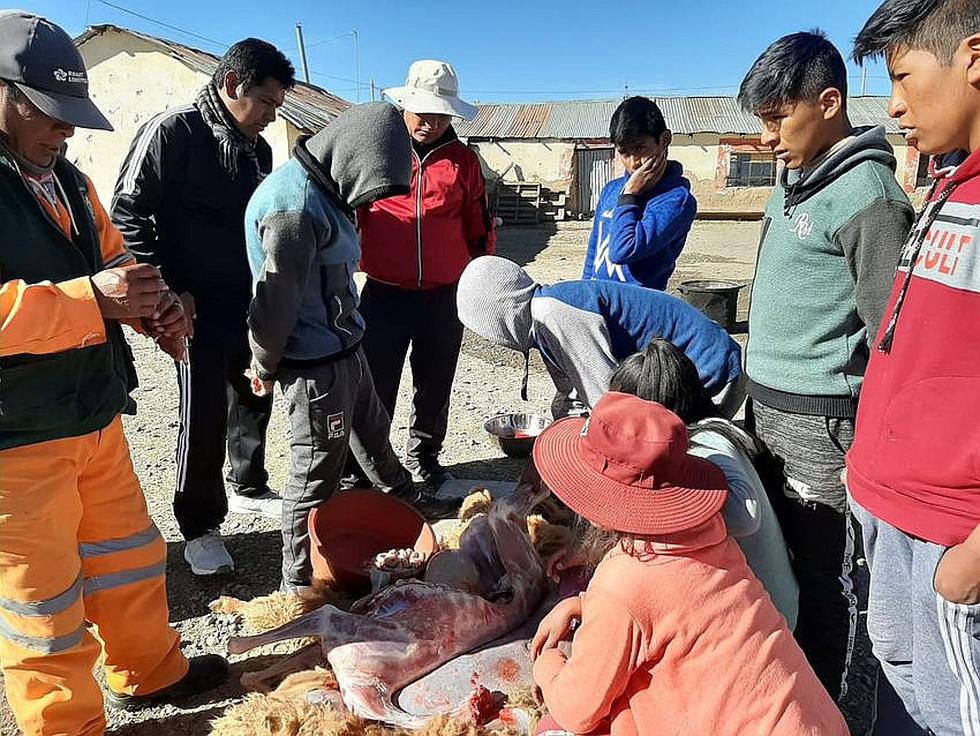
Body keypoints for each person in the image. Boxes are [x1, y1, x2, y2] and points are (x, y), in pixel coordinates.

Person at [0, 12, 227, 734]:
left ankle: (151, 672)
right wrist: (89, 300)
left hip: (94, 413)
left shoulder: (67, 180)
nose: (64, 132)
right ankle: (65, 725)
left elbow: (114, 264)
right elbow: (85, 291)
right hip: (16, 437)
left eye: (72, 119)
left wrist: (153, 308)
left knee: (129, 556)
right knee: (43, 605)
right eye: (49, 115)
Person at [737, 30, 915, 721]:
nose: (769, 136)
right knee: (774, 554)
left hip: (825, 420)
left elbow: (889, 333)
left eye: (779, 117)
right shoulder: (791, 180)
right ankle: (787, 687)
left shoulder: (870, 197)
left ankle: (828, 709)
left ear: (830, 102)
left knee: (823, 576)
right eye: (762, 121)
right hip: (768, 406)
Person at [527, 393, 847, 736]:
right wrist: (582, 604)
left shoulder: (623, 580)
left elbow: (578, 710)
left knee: (561, 725)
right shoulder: (711, 533)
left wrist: (547, 665)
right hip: (815, 722)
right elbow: (676, 607)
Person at [244, 102, 458, 593]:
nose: (365, 208)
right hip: (314, 367)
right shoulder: (293, 212)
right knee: (315, 473)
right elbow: (274, 302)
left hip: (346, 349)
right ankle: (297, 583)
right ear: (353, 160)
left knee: (376, 441)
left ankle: (412, 516)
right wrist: (264, 361)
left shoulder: (327, 192)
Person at [111, 39, 296, 576]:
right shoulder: (173, 131)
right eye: (265, 103)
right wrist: (168, 290)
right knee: (204, 410)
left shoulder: (257, 151)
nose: (269, 116)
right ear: (234, 84)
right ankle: (198, 526)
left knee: (254, 391)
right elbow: (128, 215)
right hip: (191, 307)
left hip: (247, 300)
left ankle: (246, 483)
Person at [847, 2, 980, 734]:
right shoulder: (950, 185)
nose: (894, 104)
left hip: (953, 534)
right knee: (905, 693)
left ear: (973, 58)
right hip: (892, 509)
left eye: (903, 75)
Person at [352, 60, 495, 487]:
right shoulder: (377, 152)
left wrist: (478, 282)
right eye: (422, 111)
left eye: (440, 114)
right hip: (383, 294)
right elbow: (351, 214)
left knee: (434, 384)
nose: (430, 122)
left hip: (442, 297)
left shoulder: (463, 162)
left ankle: (426, 457)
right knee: (375, 386)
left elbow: (479, 227)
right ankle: (367, 466)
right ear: (404, 106)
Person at [456, 255, 744, 418]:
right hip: (687, 370)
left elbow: (607, 400)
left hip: (707, 371)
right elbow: (571, 394)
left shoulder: (556, 315)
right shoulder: (544, 313)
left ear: (499, 317)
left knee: (676, 463)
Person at [582, 96, 696, 289]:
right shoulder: (611, 190)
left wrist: (630, 197)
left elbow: (622, 251)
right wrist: (584, 293)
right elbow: (594, 252)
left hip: (636, 312)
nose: (634, 162)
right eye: (624, 152)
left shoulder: (676, 201)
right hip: (599, 303)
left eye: (640, 148)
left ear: (664, 140)